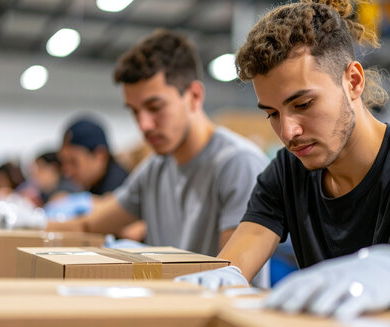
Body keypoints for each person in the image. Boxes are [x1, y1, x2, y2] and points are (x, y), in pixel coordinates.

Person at [175, 0, 390, 319]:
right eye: (272, 114)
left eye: (303, 104)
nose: (288, 131)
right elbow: (237, 260)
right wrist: (225, 275)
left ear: (353, 82)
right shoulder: (287, 172)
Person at [47, 29, 269, 276]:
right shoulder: (155, 169)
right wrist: (31, 225)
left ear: (194, 96)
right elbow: (88, 225)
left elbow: (229, 277)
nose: (143, 124)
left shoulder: (238, 164)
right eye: (134, 111)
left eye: (155, 107)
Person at [59, 114, 129, 195]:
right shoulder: (95, 185)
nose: (67, 172)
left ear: (100, 156)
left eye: (73, 162)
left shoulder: (119, 192)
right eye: (63, 163)